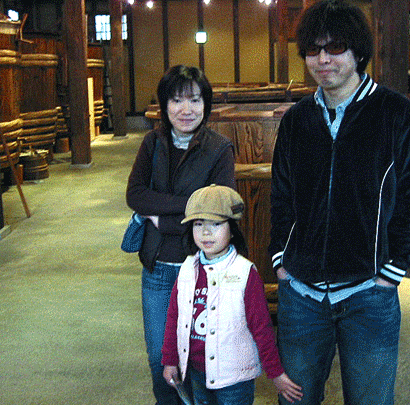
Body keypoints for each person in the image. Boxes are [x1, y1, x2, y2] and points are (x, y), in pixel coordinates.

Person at [269, 0, 410, 405]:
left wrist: (391, 271)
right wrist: (281, 261)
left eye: (336, 47)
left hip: (369, 294)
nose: (323, 59)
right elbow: (281, 197)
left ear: (358, 51)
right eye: (313, 49)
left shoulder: (397, 114)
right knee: (296, 400)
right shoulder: (296, 121)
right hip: (301, 295)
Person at [126, 65, 236, 405]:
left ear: (206, 104)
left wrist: (161, 220)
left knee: (201, 361)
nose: (186, 109)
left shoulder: (220, 148)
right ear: (164, 105)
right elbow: (135, 195)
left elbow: (219, 212)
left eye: (194, 100)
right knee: (161, 360)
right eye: (176, 100)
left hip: (203, 269)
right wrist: (191, 205)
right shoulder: (152, 143)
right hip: (158, 269)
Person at [161, 184, 303, 405]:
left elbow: (262, 327)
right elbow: (174, 318)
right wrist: (170, 360)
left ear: (233, 228)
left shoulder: (245, 273)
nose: (206, 232)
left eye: (216, 224)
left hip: (234, 380)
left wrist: (275, 372)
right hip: (196, 372)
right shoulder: (187, 269)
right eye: (198, 224)